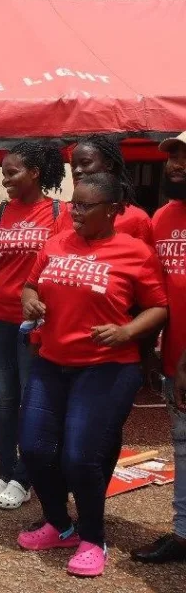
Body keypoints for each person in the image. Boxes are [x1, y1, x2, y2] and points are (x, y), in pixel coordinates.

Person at [17, 172, 167, 578]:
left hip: (107, 369)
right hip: (51, 362)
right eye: (73, 204)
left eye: (85, 206)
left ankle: (92, 538)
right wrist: (30, 301)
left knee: (81, 457)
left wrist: (127, 332)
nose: (75, 212)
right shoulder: (55, 243)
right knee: (32, 449)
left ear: (113, 210)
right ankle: (60, 525)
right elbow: (30, 287)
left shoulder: (134, 251)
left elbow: (158, 306)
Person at [0, 141, 66, 510]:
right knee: (5, 400)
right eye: (3, 173)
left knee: (27, 398)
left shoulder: (58, 212)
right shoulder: (1, 213)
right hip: (1, 319)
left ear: (34, 172)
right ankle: (4, 472)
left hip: (32, 324)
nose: (4, 180)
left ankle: (24, 476)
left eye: (11, 172)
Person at [132, 131, 186, 564]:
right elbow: (156, 296)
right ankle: (183, 534)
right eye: (174, 156)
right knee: (183, 448)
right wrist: (147, 351)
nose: (176, 164)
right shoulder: (162, 219)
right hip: (173, 363)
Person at [61, 136, 152, 243]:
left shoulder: (136, 219)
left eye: (85, 163)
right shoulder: (65, 214)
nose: (77, 171)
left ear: (108, 164)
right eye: (73, 166)